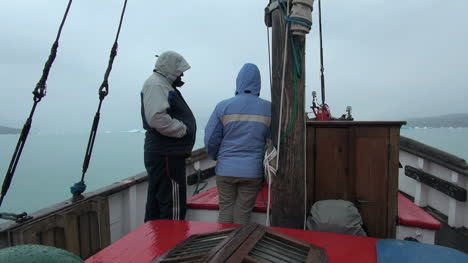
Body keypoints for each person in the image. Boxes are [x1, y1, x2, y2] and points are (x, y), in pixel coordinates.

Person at [204, 63, 271, 224]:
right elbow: (271, 140)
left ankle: (223, 245)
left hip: (225, 169)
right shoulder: (268, 108)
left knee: (225, 211)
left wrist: (217, 157)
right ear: (258, 83)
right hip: (252, 171)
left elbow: (210, 138)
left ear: (238, 81)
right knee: (243, 213)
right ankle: (239, 246)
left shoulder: (223, 106)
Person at [140, 51, 196, 222]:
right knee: (172, 203)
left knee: (158, 200)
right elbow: (157, 117)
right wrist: (182, 130)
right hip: (167, 154)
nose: (182, 74)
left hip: (165, 153)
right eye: (180, 70)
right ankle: (172, 243)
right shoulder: (157, 85)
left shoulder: (162, 84)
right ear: (170, 68)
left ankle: (156, 243)